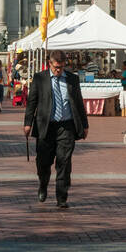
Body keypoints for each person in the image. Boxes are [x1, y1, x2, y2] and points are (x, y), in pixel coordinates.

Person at [23, 50, 88, 208]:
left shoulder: (72, 79)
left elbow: (79, 102)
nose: (58, 70)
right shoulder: (40, 78)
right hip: (46, 126)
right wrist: (27, 123)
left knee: (64, 162)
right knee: (43, 162)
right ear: (49, 63)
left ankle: (62, 197)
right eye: (56, 67)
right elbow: (32, 102)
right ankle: (43, 184)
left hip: (66, 127)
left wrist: (85, 124)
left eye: (61, 67)